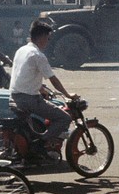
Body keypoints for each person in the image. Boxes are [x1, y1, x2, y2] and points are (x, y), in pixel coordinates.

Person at [9, 20, 79, 150]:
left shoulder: (21, 50)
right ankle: (42, 143)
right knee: (64, 118)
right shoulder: (37, 55)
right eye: (48, 38)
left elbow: (24, 75)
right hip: (29, 99)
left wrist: (41, 89)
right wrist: (68, 95)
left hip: (14, 97)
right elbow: (53, 80)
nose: (48, 41)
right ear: (41, 37)